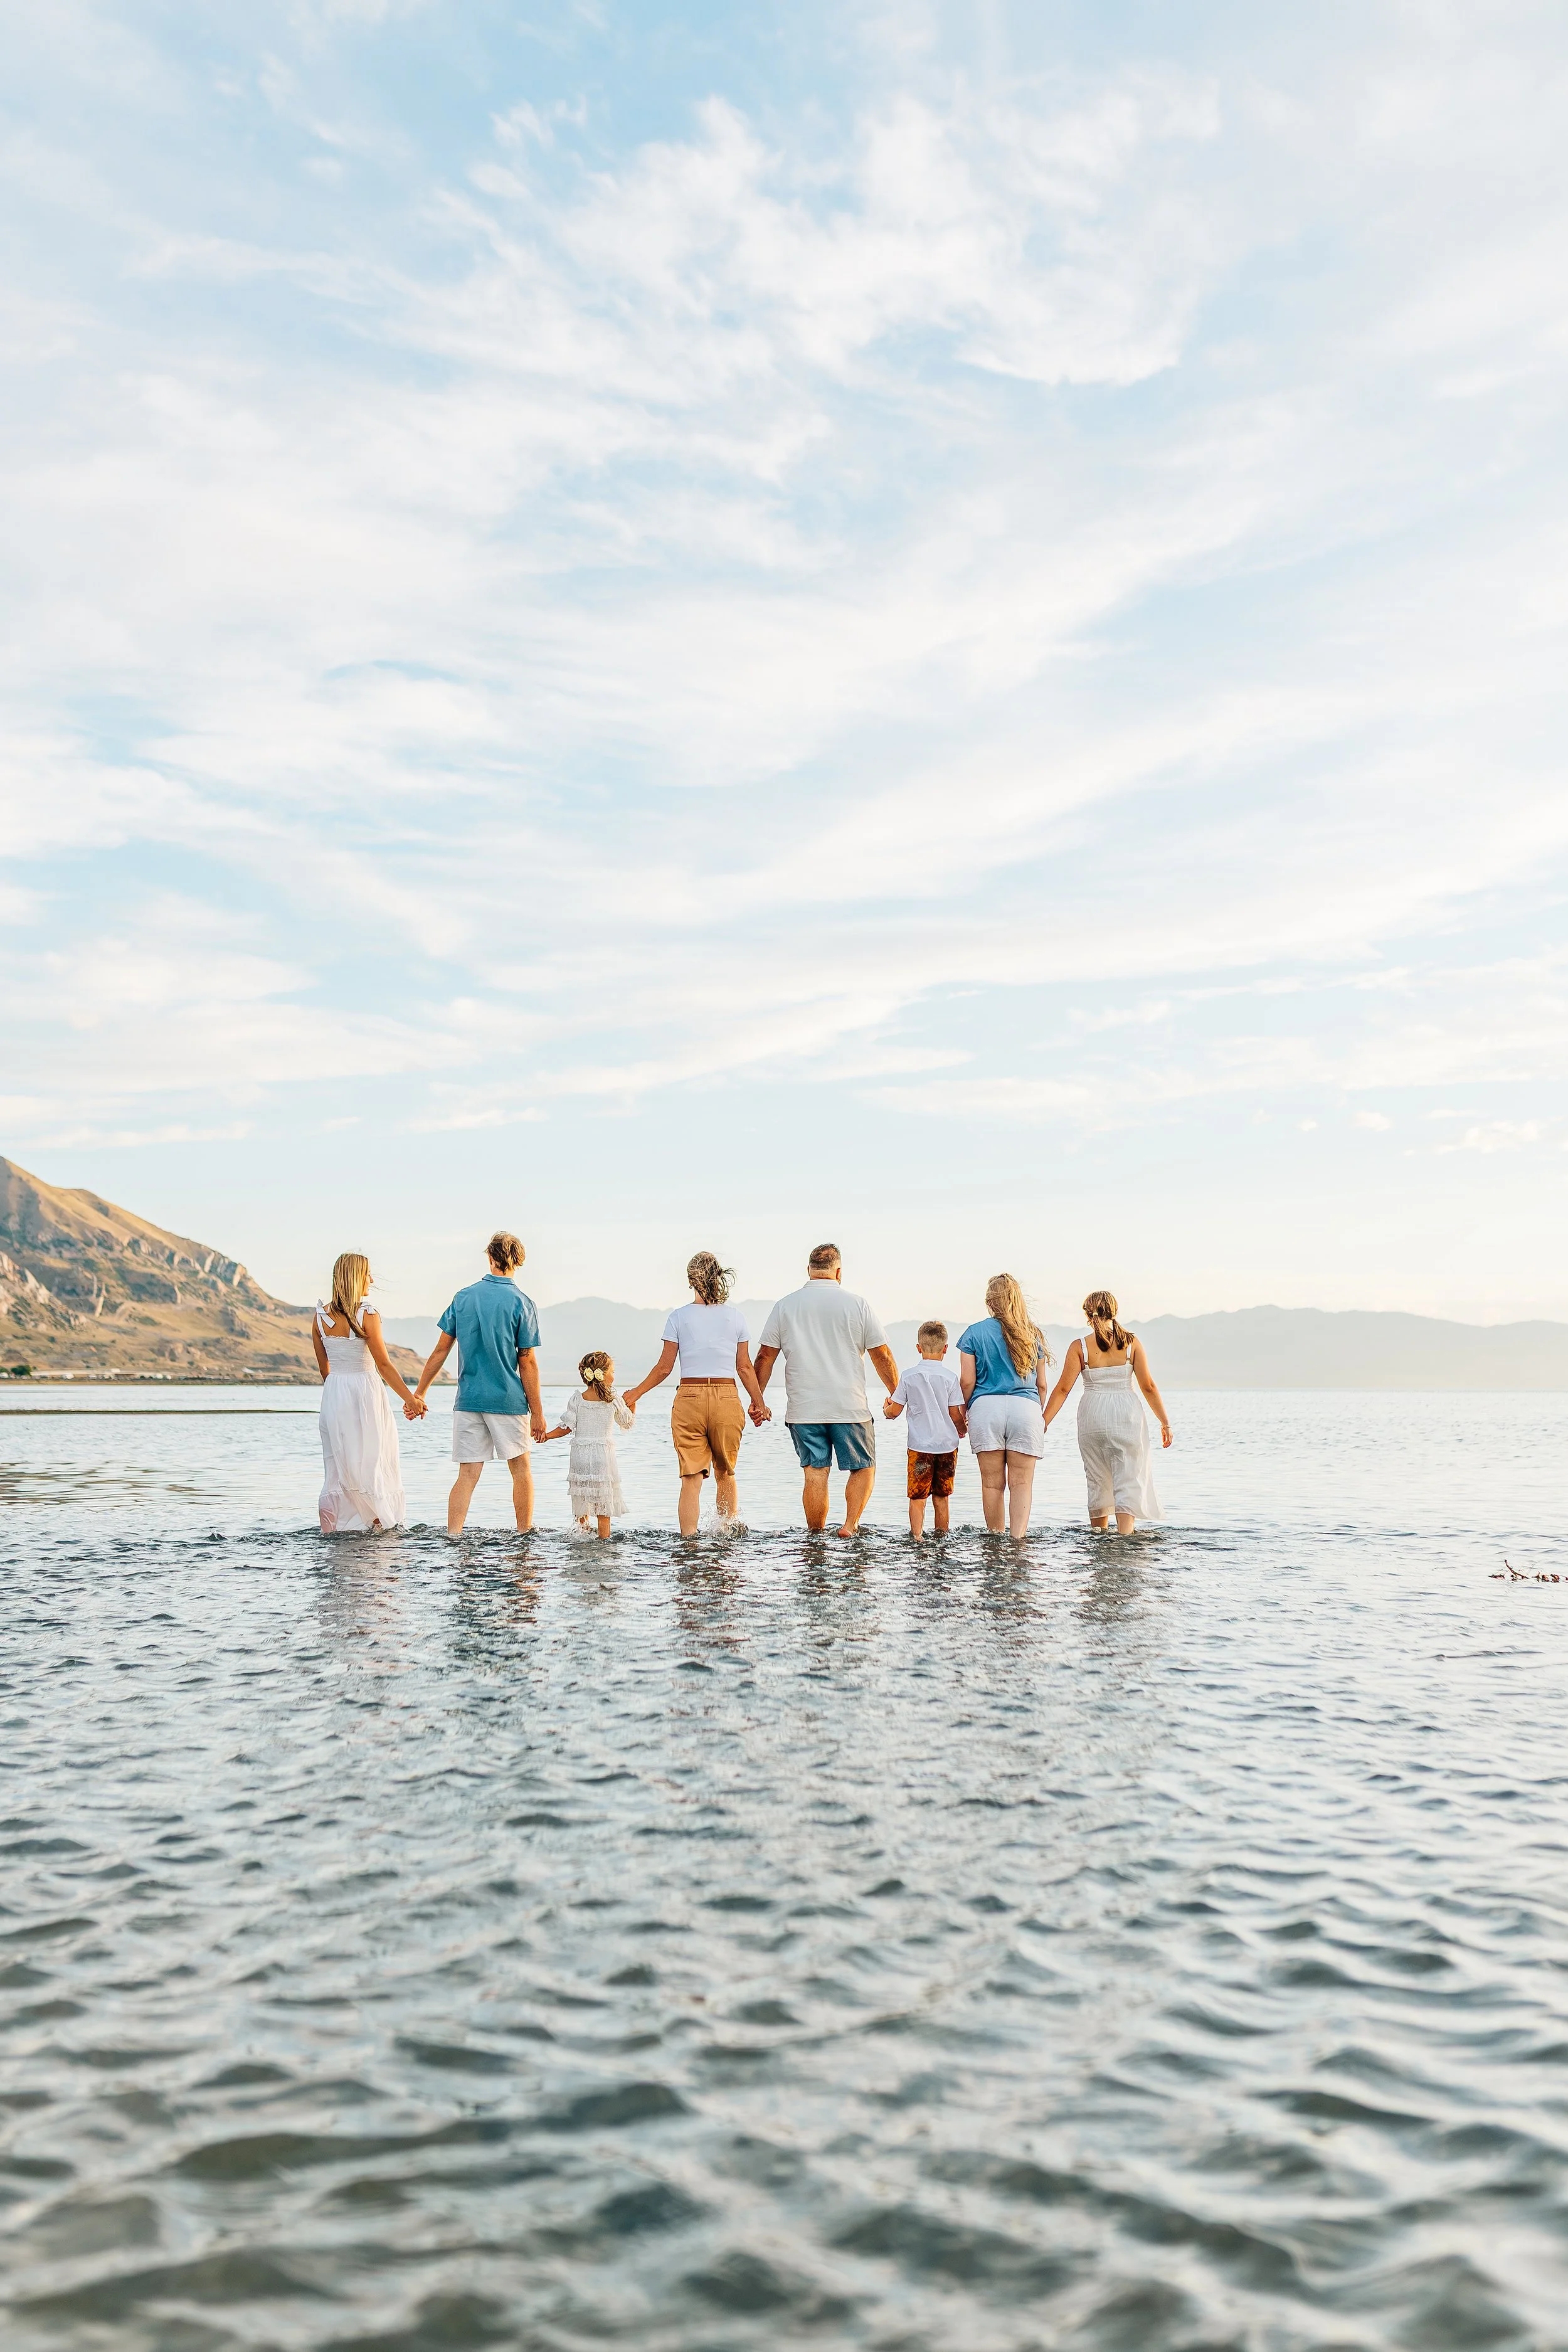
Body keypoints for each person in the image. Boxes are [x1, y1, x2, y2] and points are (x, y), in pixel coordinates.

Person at [754, 1243, 898, 1537]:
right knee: (863, 1467)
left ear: (809, 1271)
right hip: (850, 1407)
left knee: (815, 1473)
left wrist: (758, 1401)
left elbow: (765, 1357)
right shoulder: (857, 1304)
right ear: (839, 1272)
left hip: (804, 1410)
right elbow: (881, 1355)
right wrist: (897, 1393)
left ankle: (816, 1537)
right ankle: (849, 1525)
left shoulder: (785, 1306)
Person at [622, 1251, 771, 1535]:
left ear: (691, 1280)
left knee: (691, 1478)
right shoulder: (736, 1317)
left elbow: (665, 1368)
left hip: (689, 1397)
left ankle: (689, 1543)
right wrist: (759, 1403)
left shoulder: (678, 1317)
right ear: (719, 1277)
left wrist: (636, 1393)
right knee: (725, 1473)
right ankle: (725, 1537)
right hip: (726, 1397)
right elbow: (744, 1367)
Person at [413, 1231, 545, 1534]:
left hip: (469, 1400)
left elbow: (440, 1351)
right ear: (519, 1261)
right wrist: (537, 1413)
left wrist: (420, 1393)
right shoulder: (522, 1303)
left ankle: (453, 1536)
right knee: (521, 1471)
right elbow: (527, 1361)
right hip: (508, 1401)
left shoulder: (463, 1298)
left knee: (468, 1475)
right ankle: (524, 1537)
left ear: (490, 1257)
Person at [312, 1251, 426, 1534]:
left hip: (334, 1394)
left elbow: (325, 1369)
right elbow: (384, 1365)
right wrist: (411, 1399)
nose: (371, 1280)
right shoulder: (368, 1315)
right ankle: (378, 1522)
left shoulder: (319, 1318)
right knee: (373, 1456)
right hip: (365, 1392)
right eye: (367, 1274)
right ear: (354, 1278)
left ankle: (336, 1525)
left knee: (340, 1460)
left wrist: (337, 1391)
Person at [1043, 1290, 1171, 1533]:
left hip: (1092, 1417)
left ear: (1088, 1316)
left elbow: (1062, 1390)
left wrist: (1043, 1422)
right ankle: (1125, 1537)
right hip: (1126, 1416)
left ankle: (1099, 1536)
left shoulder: (1079, 1347)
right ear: (1115, 1312)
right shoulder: (1132, 1344)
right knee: (1128, 1478)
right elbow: (1149, 1387)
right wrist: (1165, 1422)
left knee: (1097, 1479)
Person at [957, 1274, 1052, 1539]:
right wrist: (1038, 1415)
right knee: (1021, 1483)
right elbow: (1042, 1385)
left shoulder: (974, 1333)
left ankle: (995, 1539)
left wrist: (964, 1413)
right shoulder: (1033, 1334)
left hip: (986, 1409)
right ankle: (1018, 1540)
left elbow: (967, 1382)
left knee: (992, 1484)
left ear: (990, 1302)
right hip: (1026, 1409)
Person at [883, 1319, 967, 1540]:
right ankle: (941, 1537)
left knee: (918, 1497)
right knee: (942, 1497)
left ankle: (917, 1537)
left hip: (920, 1446)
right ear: (945, 1349)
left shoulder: (909, 1376)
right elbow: (955, 1414)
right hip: (947, 1447)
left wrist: (886, 1409)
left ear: (918, 1348)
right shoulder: (950, 1378)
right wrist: (962, 1429)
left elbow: (895, 1412)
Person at [539, 1350, 634, 1539]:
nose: (614, 1376)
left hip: (580, 1456)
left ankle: (582, 1537)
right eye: (613, 1372)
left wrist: (548, 1436)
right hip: (603, 1457)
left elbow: (566, 1427)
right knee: (603, 1505)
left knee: (582, 1500)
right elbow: (627, 1422)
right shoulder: (614, 1399)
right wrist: (633, 1404)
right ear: (604, 1374)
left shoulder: (577, 1398)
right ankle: (604, 1539)